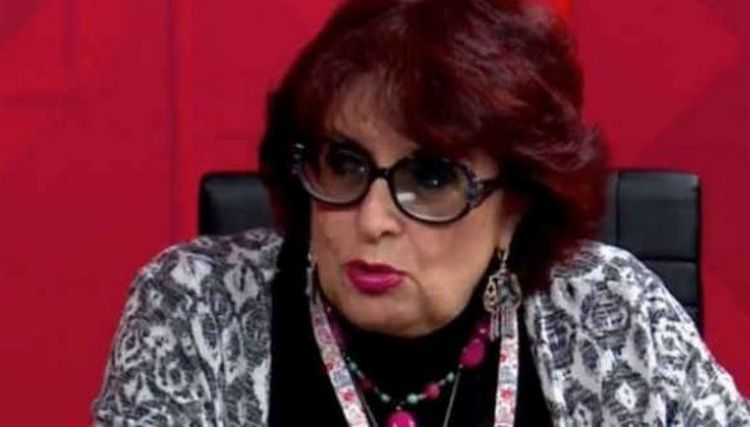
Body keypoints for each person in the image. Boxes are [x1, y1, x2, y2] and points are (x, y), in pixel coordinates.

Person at [92, 0, 750, 425]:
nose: (372, 218)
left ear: (516, 202)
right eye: (344, 163)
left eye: (431, 176)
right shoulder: (193, 307)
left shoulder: (612, 310)